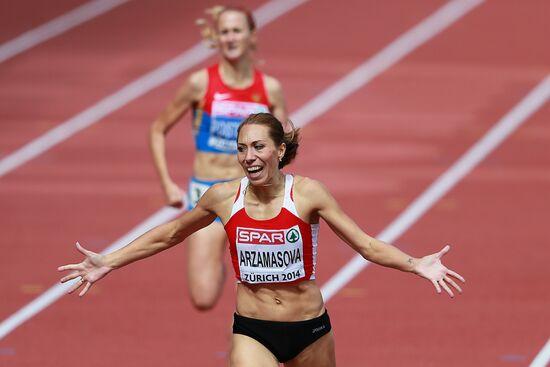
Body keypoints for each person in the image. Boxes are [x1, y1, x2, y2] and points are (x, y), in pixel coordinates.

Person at [59, 113, 465, 367]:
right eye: (241, 148)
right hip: (252, 329)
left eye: (257, 147)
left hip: (309, 330)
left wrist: (416, 264)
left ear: (279, 150)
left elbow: (366, 245)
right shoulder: (223, 197)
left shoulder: (308, 194)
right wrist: (110, 260)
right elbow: (170, 234)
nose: (248, 156)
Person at [149, 6, 288, 310]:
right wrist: (167, 184)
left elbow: (283, 148)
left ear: (252, 36)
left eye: (237, 30)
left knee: (262, 295)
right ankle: (224, 263)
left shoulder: (270, 89)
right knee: (203, 297)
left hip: (253, 196)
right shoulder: (200, 83)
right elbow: (158, 129)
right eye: (224, 32)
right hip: (208, 195)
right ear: (216, 38)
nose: (230, 37)